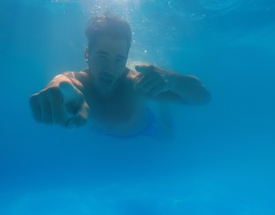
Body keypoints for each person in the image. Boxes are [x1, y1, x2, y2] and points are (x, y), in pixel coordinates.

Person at [29, 13, 211, 138]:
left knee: (168, 138)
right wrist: (55, 86)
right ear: (87, 54)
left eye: (119, 59)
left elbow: (203, 98)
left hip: (143, 129)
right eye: (102, 57)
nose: (110, 68)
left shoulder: (137, 86)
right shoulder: (79, 85)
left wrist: (171, 80)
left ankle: (162, 101)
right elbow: (65, 81)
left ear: (126, 59)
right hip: (101, 131)